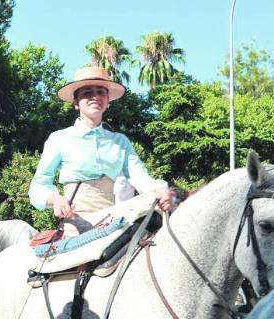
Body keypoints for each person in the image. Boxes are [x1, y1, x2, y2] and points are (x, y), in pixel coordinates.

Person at [28, 66, 174, 237]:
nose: (95, 97)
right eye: (87, 93)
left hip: (116, 221)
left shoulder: (121, 141)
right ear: (76, 102)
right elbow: (38, 186)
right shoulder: (59, 139)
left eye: (100, 92)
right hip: (76, 225)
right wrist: (56, 200)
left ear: (108, 99)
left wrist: (159, 190)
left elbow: (139, 177)